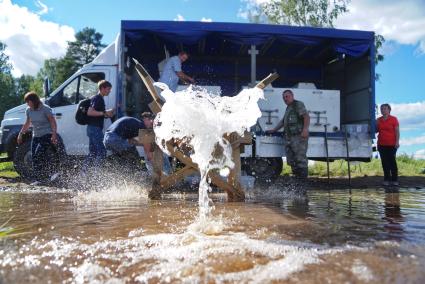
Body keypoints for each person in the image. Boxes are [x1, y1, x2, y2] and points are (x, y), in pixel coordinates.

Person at [266, 90, 310, 179]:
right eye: (284, 97)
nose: (285, 99)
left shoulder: (297, 104)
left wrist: (305, 130)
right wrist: (274, 130)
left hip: (298, 137)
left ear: (292, 96)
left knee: (300, 160)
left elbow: (306, 116)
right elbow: (283, 121)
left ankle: (302, 185)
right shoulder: (289, 108)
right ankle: (297, 182)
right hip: (289, 138)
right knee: (292, 160)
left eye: (287, 96)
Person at [17, 91, 58, 185]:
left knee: (39, 154)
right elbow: (27, 123)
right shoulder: (28, 110)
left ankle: (49, 175)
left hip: (47, 134)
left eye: (28, 102)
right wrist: (21, 134)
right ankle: (39, 179)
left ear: (34, 101)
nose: (27, 104)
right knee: (34, 156)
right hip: (36, 135)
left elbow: (53, 122)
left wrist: (54, 134)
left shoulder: (45, 109)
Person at [83, 80, 115, 174]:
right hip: (95, 129)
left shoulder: (98, 98)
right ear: (102, 88)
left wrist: (110, 112)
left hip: (92, 129)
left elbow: (99, 114)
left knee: (93, 153)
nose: (109, 91)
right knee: (101, 152)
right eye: (108, 89)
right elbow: (90, 112)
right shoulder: (98, 98)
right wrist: (104, 112)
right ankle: (97, 175)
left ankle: (84, 173)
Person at [376, 103, 400, 186]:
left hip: (392, 144)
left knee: (392, 161)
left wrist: (397, 142)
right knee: (384, 162)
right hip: (381, 144)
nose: (383, 110)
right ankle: (386, 179)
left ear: (389, 110)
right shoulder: (378, 120)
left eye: (385, 108)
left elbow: (397, 131)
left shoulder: (394, 119)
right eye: (382, 109)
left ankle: (395, 180)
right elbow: (375, 130)